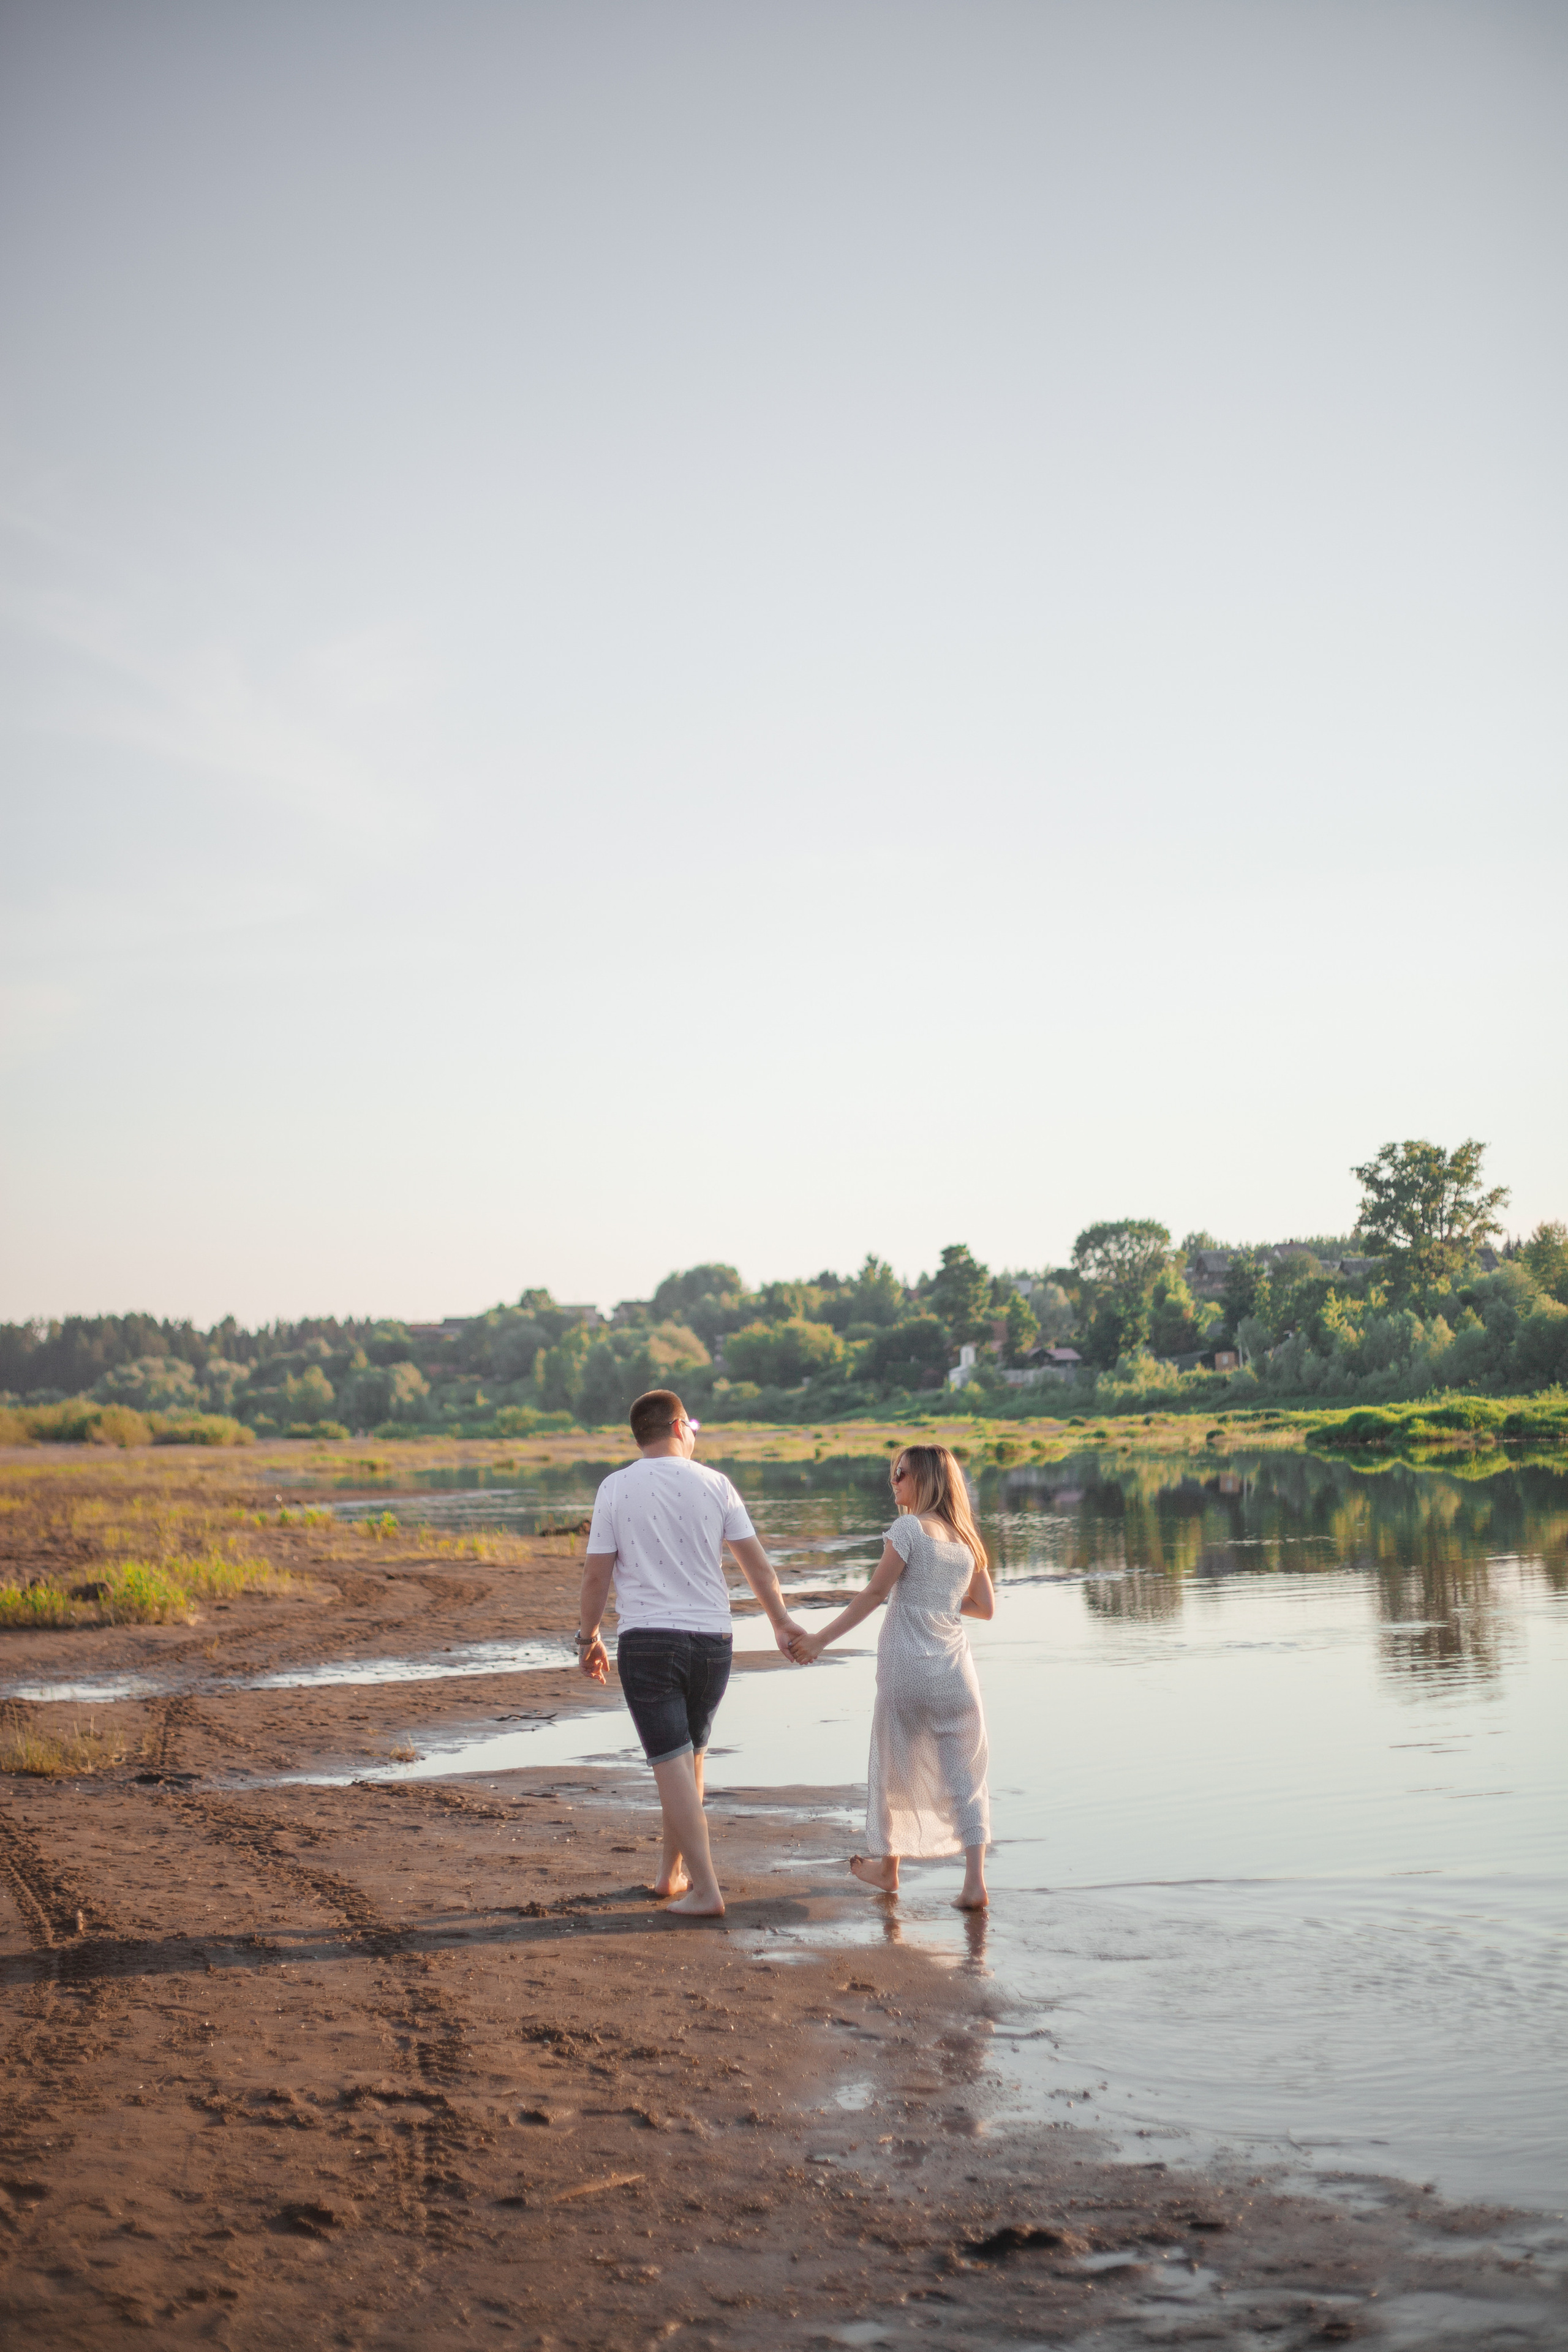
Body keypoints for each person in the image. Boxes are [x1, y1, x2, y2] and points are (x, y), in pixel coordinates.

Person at [575, 1388, 804, 1918]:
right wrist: (781, 1622)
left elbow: (596, 1575)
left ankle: (706, 1890)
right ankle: (671, 1874)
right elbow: (758, 1566)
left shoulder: (615, 1487)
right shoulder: (717, 1484)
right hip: (713, 1642)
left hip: (650, 1642)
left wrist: (588, 1638)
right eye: (693, 1425)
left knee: (671, 1763)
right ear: (680, 1427)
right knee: (688, 1760)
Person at [790, 1443, 993, 1909]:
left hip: (908, 1666)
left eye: (901, 1473)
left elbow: (875, 1593)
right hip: (957, 1672)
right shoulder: (966, 1538)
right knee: (966, 1774)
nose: (893, 1481)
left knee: (894, 1766)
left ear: (924, 1479)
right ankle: (974, 1884)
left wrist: (819, 1639)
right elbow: (985, 1607)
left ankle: (889, 1870)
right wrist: (938, 1598)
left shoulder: (909, 1529)